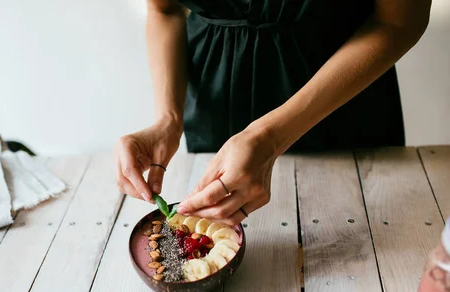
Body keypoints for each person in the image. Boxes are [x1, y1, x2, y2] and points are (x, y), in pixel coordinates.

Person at [114, 0, 431, 225]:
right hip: (216, 99)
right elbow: (164, 9)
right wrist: (169, 119)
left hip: (339, 100)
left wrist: (268, 136)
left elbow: (400, 21)